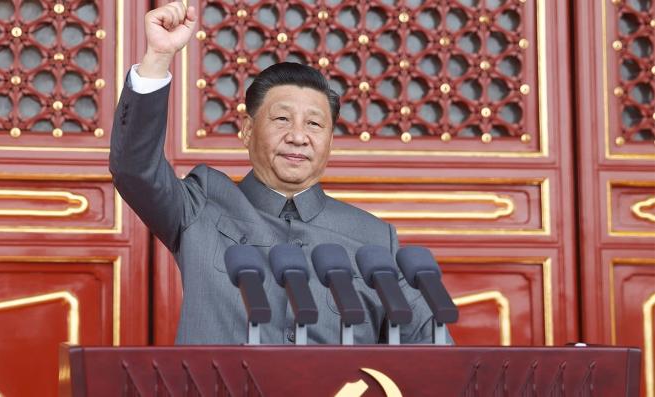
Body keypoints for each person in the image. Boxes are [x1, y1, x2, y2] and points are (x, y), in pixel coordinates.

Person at [110, 1, 450, 344]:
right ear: (247, 131)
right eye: (282, 119)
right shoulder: (202, 207)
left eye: (314, 124)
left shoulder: (373, 239)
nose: (298, 136)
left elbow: (430, 349)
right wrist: (158, 57)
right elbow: (135, 169)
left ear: (330, 142)